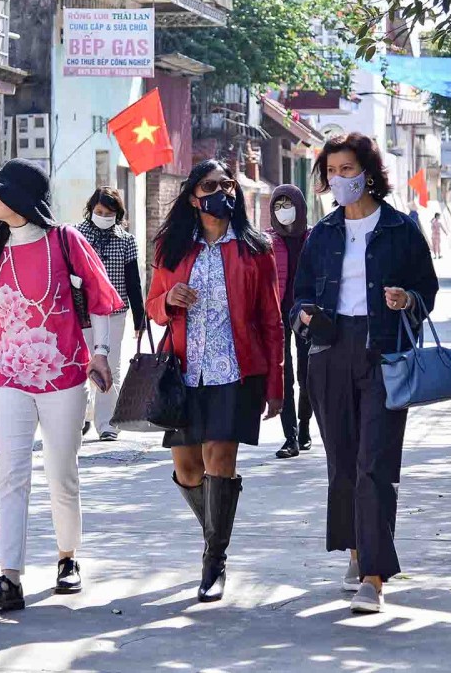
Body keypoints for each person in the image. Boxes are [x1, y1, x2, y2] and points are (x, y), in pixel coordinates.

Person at [292, 132, 439, 615]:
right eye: (332, 172)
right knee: (343, 463)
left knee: (375, 462)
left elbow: (427, 290)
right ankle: (356, 552)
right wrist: (305, 314)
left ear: (369, 173)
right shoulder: (323, 233)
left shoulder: (400, 229)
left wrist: (408, 300)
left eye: (348, 170)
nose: (340, 179)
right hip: (330, 353)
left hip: (384, 352)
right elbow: (297, 295)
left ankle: (374, 577)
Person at [0, 160, 123, 611]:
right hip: (11, 377)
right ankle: (9, 576)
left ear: (20, 199)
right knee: (10, 474)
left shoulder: (65, 240)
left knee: (61, 471)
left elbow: (100, 296)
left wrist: (102, 354)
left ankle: (67, 558)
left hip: (65, 374)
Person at [146, 159, 284, 604]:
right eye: (211, 185)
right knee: (187, 469)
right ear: (193, 195)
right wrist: (168, 299)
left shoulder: (255, 248)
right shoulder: (172, 247)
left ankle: (214, 560)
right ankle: (214, 531)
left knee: (220, 458)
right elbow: (151, 306)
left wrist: (277, 384)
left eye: (228, 184)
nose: (221, 191)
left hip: (235, 371)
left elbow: (271, 320)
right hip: (185, 373)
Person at [75, 187, 147, 441]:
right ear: (91, 210)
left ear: (117, 214)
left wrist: (140, 318)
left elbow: (133, 282)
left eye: (109, 213)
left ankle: (107, 424)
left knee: (110, 366)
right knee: (82, 365)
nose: (103, 215)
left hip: (115, 312)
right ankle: (80, 416)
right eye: (99, 211)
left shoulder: (126, 240)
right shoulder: (77, 235)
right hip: (82, 312)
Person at [267, 186, 313, 459]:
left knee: (307, 376)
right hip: (277, 315)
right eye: (277, 205)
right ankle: (290, 437)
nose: (283, 210)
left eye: (288, 204)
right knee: (284, 376)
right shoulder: (267, 241)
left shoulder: (315, 237)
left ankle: (305, 426)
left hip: (307, 314)